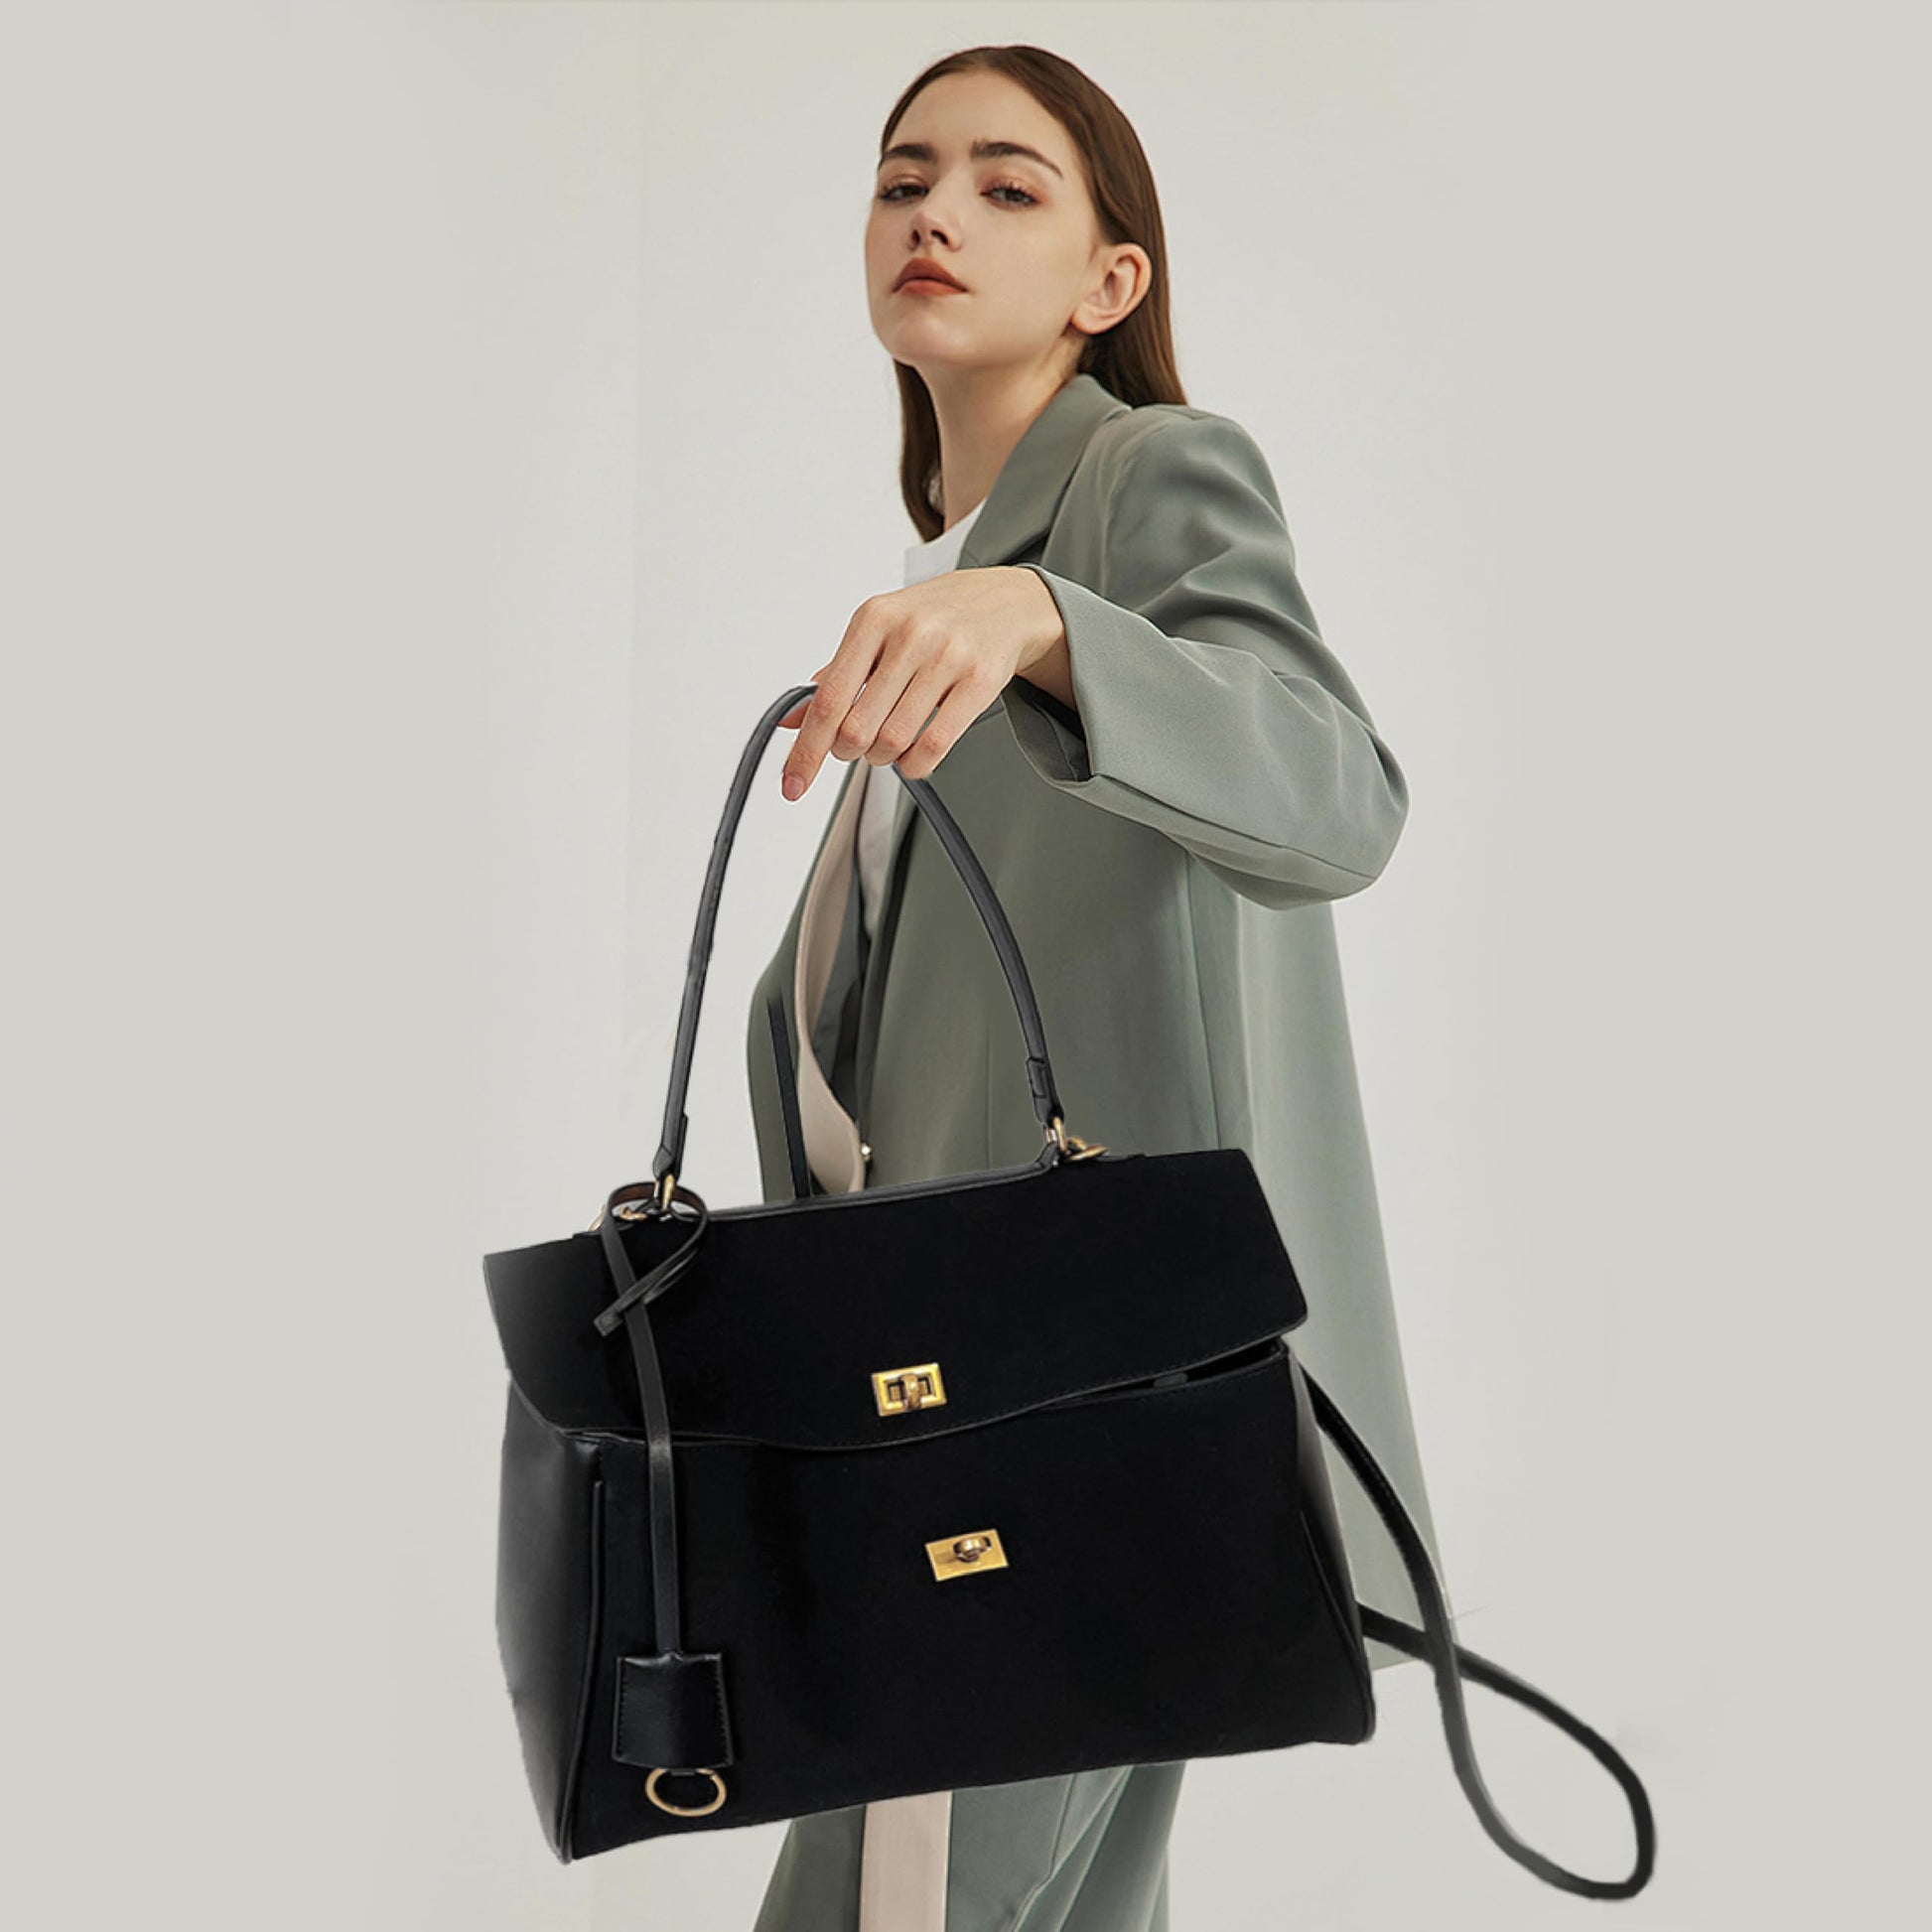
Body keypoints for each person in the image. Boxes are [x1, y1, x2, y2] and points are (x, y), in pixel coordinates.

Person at [742, 43, 1454, 1932]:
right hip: (981, 1413)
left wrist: (1057, 620)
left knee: (900, 1897)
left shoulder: (1140, 482)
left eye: (1006, 185)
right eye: (903, 177)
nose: (935, 213)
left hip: (1077, 1403)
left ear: (1107, 279)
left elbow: (1336, 796)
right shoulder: (938, 583)